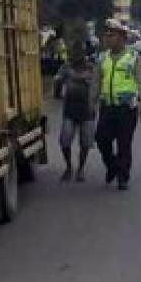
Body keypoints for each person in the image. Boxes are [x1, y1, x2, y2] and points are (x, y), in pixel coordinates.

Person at [93, 19, 141, 190]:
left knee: (124, 143)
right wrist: (91, 102)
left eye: (112, 36)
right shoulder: (102, 58)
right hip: (107, 107)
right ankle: (112, 165)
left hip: (126, 108)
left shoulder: (133, 58)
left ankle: (123, 176)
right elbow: (96, 82)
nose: (108, 39)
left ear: (122, 38)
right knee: (101, 139)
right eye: (107, 36)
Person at [56, 48, 95, 182]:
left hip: (87, 110)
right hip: (70, 110)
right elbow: (57, 80)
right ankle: (69, 167)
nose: (77, 57)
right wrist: (58, 92)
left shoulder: (91, 68)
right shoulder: (66, 67)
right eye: (75, 54)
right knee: (65, 140)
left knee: (86, 142)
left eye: (79, 54)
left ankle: (80, 169)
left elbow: (98, 84)